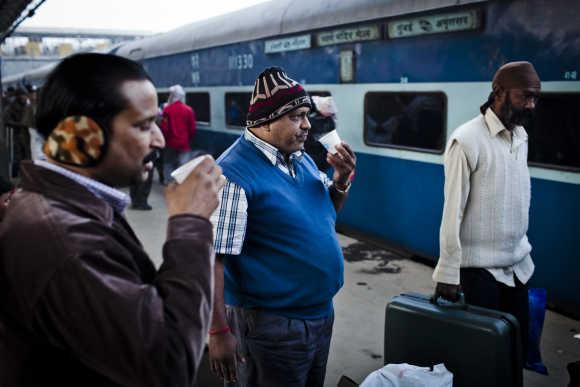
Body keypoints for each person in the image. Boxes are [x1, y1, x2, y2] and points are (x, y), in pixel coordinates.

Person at [0, 53, 223, 387]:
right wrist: (190, 223)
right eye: (143, 125)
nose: (159, 140)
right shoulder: (65, 241)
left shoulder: (65, 206)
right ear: (81, 135)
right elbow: (167, 365)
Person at [208, 67, 356, 387]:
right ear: (265, 121)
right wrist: (218, 332)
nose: (306, 125)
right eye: (296, 117)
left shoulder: (298, 157)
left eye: (307, 115)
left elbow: (326, 214)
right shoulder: (234, 175)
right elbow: (212, 260)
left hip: (318, 314)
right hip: (271, 326)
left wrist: (341, 182)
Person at [433, 61, 542, 364]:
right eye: (525, 96)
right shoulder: (467, 140)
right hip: (479, 272)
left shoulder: (520, 136)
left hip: (518, 266)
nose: (531, 105)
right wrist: (448, 271)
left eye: (535, 98)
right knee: (483, 358)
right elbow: (452, 211)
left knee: (515, 353)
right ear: (499, 92)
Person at [160, 84, 196, 182]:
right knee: (183, 165)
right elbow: (192, 129)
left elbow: (164, 128)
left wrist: (166, 140)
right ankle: (182, 185)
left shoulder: (167, 110)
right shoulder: (189, 110)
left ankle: (170, 184)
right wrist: (187, 139)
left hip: (170, 143)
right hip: (184, 143)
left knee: (168, 163)